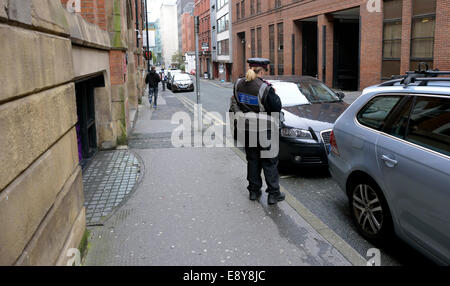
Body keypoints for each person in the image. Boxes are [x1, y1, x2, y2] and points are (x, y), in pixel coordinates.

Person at [230, 58, 285, 205]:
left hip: (247, 130)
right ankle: (273, 194)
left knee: (253, 160)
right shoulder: (264, 88)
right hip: (264, 130)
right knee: (269, 162)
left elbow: (235, 102)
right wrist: (274, 94)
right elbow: (276, 108)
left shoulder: (238, 83)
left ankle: (254, 192)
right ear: (261, 70)